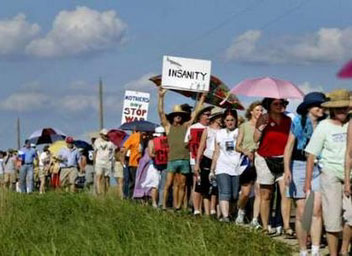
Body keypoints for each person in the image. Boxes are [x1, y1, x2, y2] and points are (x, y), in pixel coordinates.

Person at [305, 89, 351, 256]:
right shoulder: (324, 126)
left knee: (351, 217)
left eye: (344, 107)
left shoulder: (350, 123)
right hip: (330, 172)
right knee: (332, 218)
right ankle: (333, 253)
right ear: (331, 109)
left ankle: (344, 249)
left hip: (349, 174)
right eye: (338, 108)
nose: (341, 111)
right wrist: (308, 182)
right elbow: (311, 155)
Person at [283, 92, 326, 256]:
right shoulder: (298, 121)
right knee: (301, 212)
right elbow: (289, 146)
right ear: (309, 108)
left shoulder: (326, 124)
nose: (321, 109)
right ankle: (303, 249)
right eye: (318, 106)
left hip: (319, 167)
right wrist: (287, 169)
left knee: (316, 210)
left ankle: (315, 249)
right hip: (299, 166)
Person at [158, 87, 206, 210]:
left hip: (184, 159)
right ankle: (164, 205)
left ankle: (178, 206)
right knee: (169, 184)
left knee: (182, 184)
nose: (178, 116)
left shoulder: (186, 126)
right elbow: (161, 113)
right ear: (172, 117)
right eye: (176, 115)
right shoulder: (168, 127)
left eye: (180, 115)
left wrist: (202, 98)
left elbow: (195, 113)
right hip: (172, 159)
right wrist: (161, 97)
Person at [253, 98, 292, 236]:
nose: (279, 106)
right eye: (276, 104)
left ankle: (287, 226)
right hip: (265, 159)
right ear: (269, 106)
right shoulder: (263, 118)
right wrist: (261, 127)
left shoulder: (288, 120)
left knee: (286, 194)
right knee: (266, 194)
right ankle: (265, 226)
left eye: (282, 103)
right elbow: (255, 139)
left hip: (283, 159)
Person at [210, 108, 242, 222]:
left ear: (236, 120)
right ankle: (225, 216)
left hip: (237, 167)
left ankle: (232, 213)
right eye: (227, 120)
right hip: (222, 166)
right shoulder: (219, 133)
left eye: (232, 120)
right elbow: (216, 152)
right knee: (224, 191)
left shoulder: (239, 132)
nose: (230, 122)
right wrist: (212, 169)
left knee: (234, 195)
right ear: (224, 121)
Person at [235, 101, 263, 227]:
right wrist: (246, 151)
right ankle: (240, 211)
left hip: (260, 159)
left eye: (261, 110)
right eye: (257, 110)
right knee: (246, 192)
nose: (260, 113)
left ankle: (255, 219)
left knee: (258, 191)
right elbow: (237, 146)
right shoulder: (244, 126)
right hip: (247, 160)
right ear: (251, 111)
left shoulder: (264, 126)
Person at [194, 107, 223, 216]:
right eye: (219, 117)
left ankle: (213, 210)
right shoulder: (207, 130)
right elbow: (201, 147)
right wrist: (197, 163)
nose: (220, 119)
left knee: (215, 185)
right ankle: (203, 211)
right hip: (207, 158)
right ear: (214, 118)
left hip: (218, 159)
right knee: (203, 185)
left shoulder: (222, 131)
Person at [185, 105, 213, 215]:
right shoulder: (193, 127)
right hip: (195, 159)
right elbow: (186, 144)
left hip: (208, 160)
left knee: (206, 185)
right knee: (197, 182)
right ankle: (197, 209)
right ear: (201, 116)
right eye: (207, 115)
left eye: (210, 115)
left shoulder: (212, 128)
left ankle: (205, 209)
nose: (209, 117)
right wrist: (189, 141)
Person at [142, 127, 169, 207]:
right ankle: (161, 203)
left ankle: (155, 203)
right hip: (164, 164)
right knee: (163, 185)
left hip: (154, 165)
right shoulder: (166, 141)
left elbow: (150, 154)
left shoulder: (151, 142)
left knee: (155, 185)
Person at [94, 129, 116, 195]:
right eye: (105, 135)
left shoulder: (111, 143)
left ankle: (106, 193)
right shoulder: (97, 141)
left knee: (107, 178)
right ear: (101, 135)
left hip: (108, 162)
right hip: (99, 162)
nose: (106, 136)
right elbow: (95, 152)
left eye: (107, 135)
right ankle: (99, 192)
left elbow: (113, 152)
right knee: (99, 176)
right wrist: (94, 161)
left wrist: (111, 161)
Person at [121, 130, 142, 198]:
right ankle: (133, 197)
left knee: (134, 182)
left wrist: (123, 160)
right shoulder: (135, 137)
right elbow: (124, 149)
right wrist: (123, 160)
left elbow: (124, 149)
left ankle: (134, 197)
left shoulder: (134, 137)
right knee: (135, 182)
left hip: (137, 163)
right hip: (135, 163)